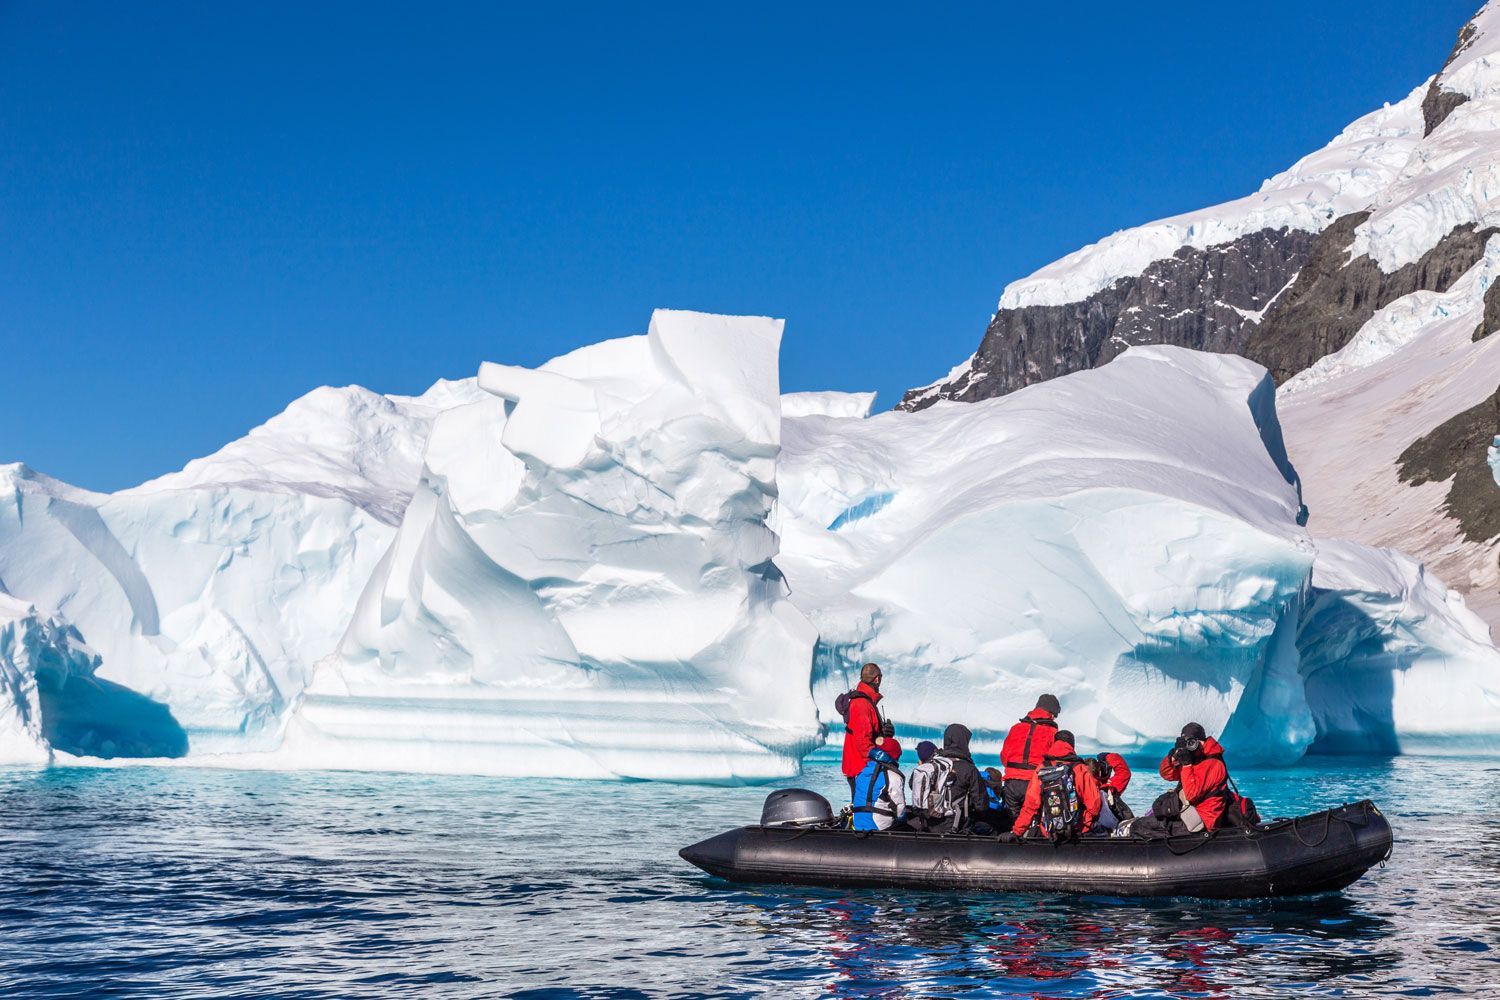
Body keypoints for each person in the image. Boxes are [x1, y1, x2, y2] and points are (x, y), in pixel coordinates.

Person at [1127, 723, 1235, 838]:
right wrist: (1173, 756)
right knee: (1150, 817)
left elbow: (1192, 795)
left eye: (1193, 742)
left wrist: (1187, 765)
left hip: (1202, 821)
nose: (1192, 746)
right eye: (1188, 742)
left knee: (1138, 827)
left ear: (1202, 741)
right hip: (1189, 813)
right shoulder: (1193, 759)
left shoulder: (1213, 764)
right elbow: (1166, 774)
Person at [1010, 730, 1101, 840]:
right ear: (1072, 745)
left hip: (1049, 831)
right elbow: (1094, 806)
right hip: (1077, 830)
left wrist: (1016, 832)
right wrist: (1086, 824)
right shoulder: (1080, 769)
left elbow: (1031, 804)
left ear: (1054, 743)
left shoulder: (1042, 768)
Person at [921, 723, 990, 833]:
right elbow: (981, 805)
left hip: (929, 824)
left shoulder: (932, 764)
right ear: (963, 742)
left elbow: (913, 785)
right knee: (989, 829)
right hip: (957, 827)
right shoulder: (969, 769)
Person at [1000, 694, 1061, 815]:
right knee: (1034, 821)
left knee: (1014, 821)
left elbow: (1004, 757)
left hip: (1011, 783)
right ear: (1051, 714)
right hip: (1035, 783)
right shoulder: (1052, 732)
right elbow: (1055, 761)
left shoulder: (1015, 728)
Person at [839, 663, 892, 797]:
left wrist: (885, 735)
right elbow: (863, 743)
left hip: (861, 767)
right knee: (863, 809)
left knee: (865, 807)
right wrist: (882, 757)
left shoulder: (865, 701)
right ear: (877, 679)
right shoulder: (862, 704)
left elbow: (868, 735)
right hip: (861, 769)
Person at [851, 740, 908, 831]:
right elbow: (899, 808)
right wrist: (904, 819)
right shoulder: (893, 776)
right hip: (878, 826)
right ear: (894, 756)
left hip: (857, 823)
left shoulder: (861, 773)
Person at [1089, 752, 1134, 830]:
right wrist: (1108, 756)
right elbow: (1124, 772)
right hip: (1109, 829)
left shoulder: (1076, 785)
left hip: (1086, 828)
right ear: (1100, 771)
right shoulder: (1107, 788)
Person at [906, 740, 940, 829]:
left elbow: (911, 785)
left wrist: (920, 767)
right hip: (938, 811)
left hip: (923, 811)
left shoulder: (920, 770)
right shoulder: (940, 766)